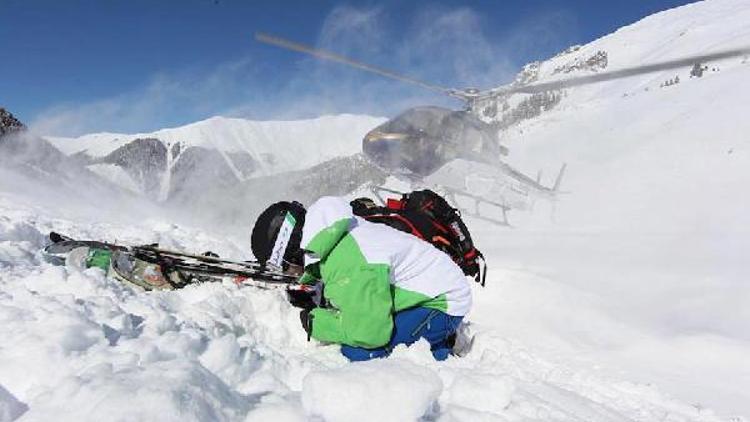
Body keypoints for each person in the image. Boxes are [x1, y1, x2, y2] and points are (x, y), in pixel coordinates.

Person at [251, 196, 472, 361]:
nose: (288, 273)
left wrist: (316, 323)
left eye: (284, 266)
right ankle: (435, 338)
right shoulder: (335, 235)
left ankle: (438, 352)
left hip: (442, 303)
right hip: (433, 286)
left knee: (360, 353)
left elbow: (370, 334)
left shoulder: (350, 261)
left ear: (292, 251)